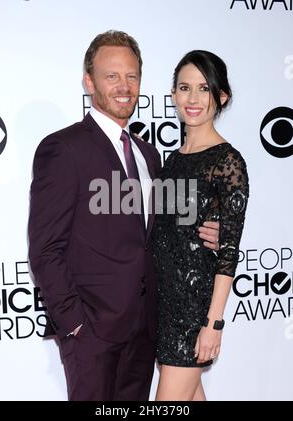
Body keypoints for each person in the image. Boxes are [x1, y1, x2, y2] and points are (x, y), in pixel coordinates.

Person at [28, 31, 219, 401]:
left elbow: (157, 232)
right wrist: (76, 325)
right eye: (111, 76)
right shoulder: (63, 148)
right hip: (93, 332)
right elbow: (45, 249)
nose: (124, 86)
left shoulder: (148, 155)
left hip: (145, 328)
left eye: (132, 76)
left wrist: (204, 231)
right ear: (89, 81)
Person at [152, 50, 249, 401]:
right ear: (174, 94)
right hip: (165, 303)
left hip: (195, 309)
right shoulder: (172, 160)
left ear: (221, 97)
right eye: (184, 87)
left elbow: (228, 253)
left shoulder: (227, 161)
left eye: (203, 89)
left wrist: (213, 324)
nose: (192, 99)